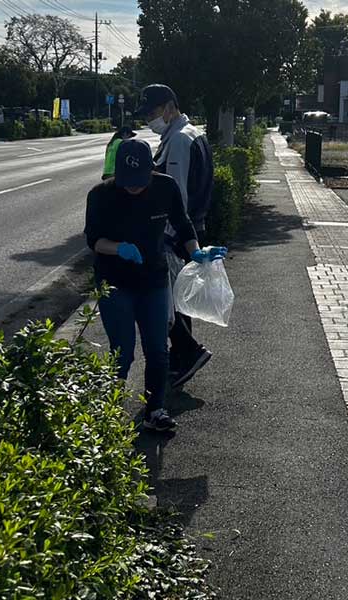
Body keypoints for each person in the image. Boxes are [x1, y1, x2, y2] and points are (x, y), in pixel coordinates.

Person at [84, 138, 226, 432]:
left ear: (152, 169)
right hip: (115, 282)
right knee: (122, 352)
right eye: (127, 181)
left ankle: (155, 410)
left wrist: (196, 252)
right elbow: (94, 240)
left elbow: (184, 224)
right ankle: (109, 412)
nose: (134, 187)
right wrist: (119, 248)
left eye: (140, 181)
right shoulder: (101, 195)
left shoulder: (166, 188)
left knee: (158, 350)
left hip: (154, 280)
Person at [134, 84, 216, 388]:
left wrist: (164, 236)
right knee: (178, 299)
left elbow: (175, 195)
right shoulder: (190, 133)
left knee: (163, 299)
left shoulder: (180, 141)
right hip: (192, 228)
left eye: (153, 112)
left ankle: (187, 354)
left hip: (175, 235)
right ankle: (183, 359)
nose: (149, 120)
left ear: (170, 107)